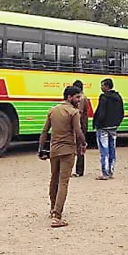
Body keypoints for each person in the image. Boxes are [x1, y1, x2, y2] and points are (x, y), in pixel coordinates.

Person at [38, 85, 86, 228]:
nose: (79, 100)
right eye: (77, 97)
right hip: (68, 150)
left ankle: (53, 208)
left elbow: (45, 131)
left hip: (54, 150)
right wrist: (83, 143)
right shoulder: (73, 112)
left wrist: (41, 148)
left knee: (54, 179)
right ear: (69, 97)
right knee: (63, 182)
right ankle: (57, 216)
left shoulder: (52, 110)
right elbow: (78, 131)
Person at [93, 78, 124, 180]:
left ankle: (105, 173)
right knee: (112, 150)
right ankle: (111, 171)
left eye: (102, 85)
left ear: (106, 86)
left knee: (104, 150)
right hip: (114, 127)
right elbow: (121, 113)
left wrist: (97, 123)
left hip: (103, 128)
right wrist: (117, 123)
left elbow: (101, 113)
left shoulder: (103, 97)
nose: (101, 87)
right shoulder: (118, 97)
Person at [71, 80, 94, 177]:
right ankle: (79, 170)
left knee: (79, 147)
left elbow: (79, 113)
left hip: (80, 126)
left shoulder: (81, 99)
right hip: (82, 125)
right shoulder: (83, 97)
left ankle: (79, 171)